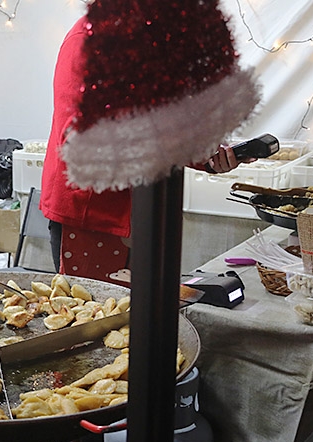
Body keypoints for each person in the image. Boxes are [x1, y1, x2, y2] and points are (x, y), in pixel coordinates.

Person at [40, 9, 248, 442]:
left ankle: (115, 441)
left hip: (128, 208)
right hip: (91, 209)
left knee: (123, 330)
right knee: (89, 335)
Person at [40, 11, 245, 280]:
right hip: (94, 215)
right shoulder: (87, 41)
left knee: (145, 314)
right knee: (99, 315)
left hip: (147, 210)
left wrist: (205, 152)